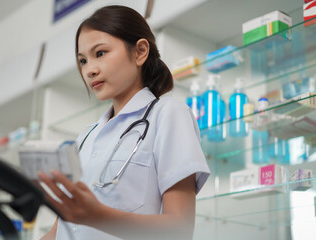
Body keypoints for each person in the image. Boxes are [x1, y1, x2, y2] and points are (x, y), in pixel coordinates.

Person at [38, 5, 210, 240]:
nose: (89, 70)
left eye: (100, 53)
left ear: (140, 52)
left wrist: (98, 216)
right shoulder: (85, 138)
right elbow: (60, 230)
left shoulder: (168, 114)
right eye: (82, 61)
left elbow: (180, 229)